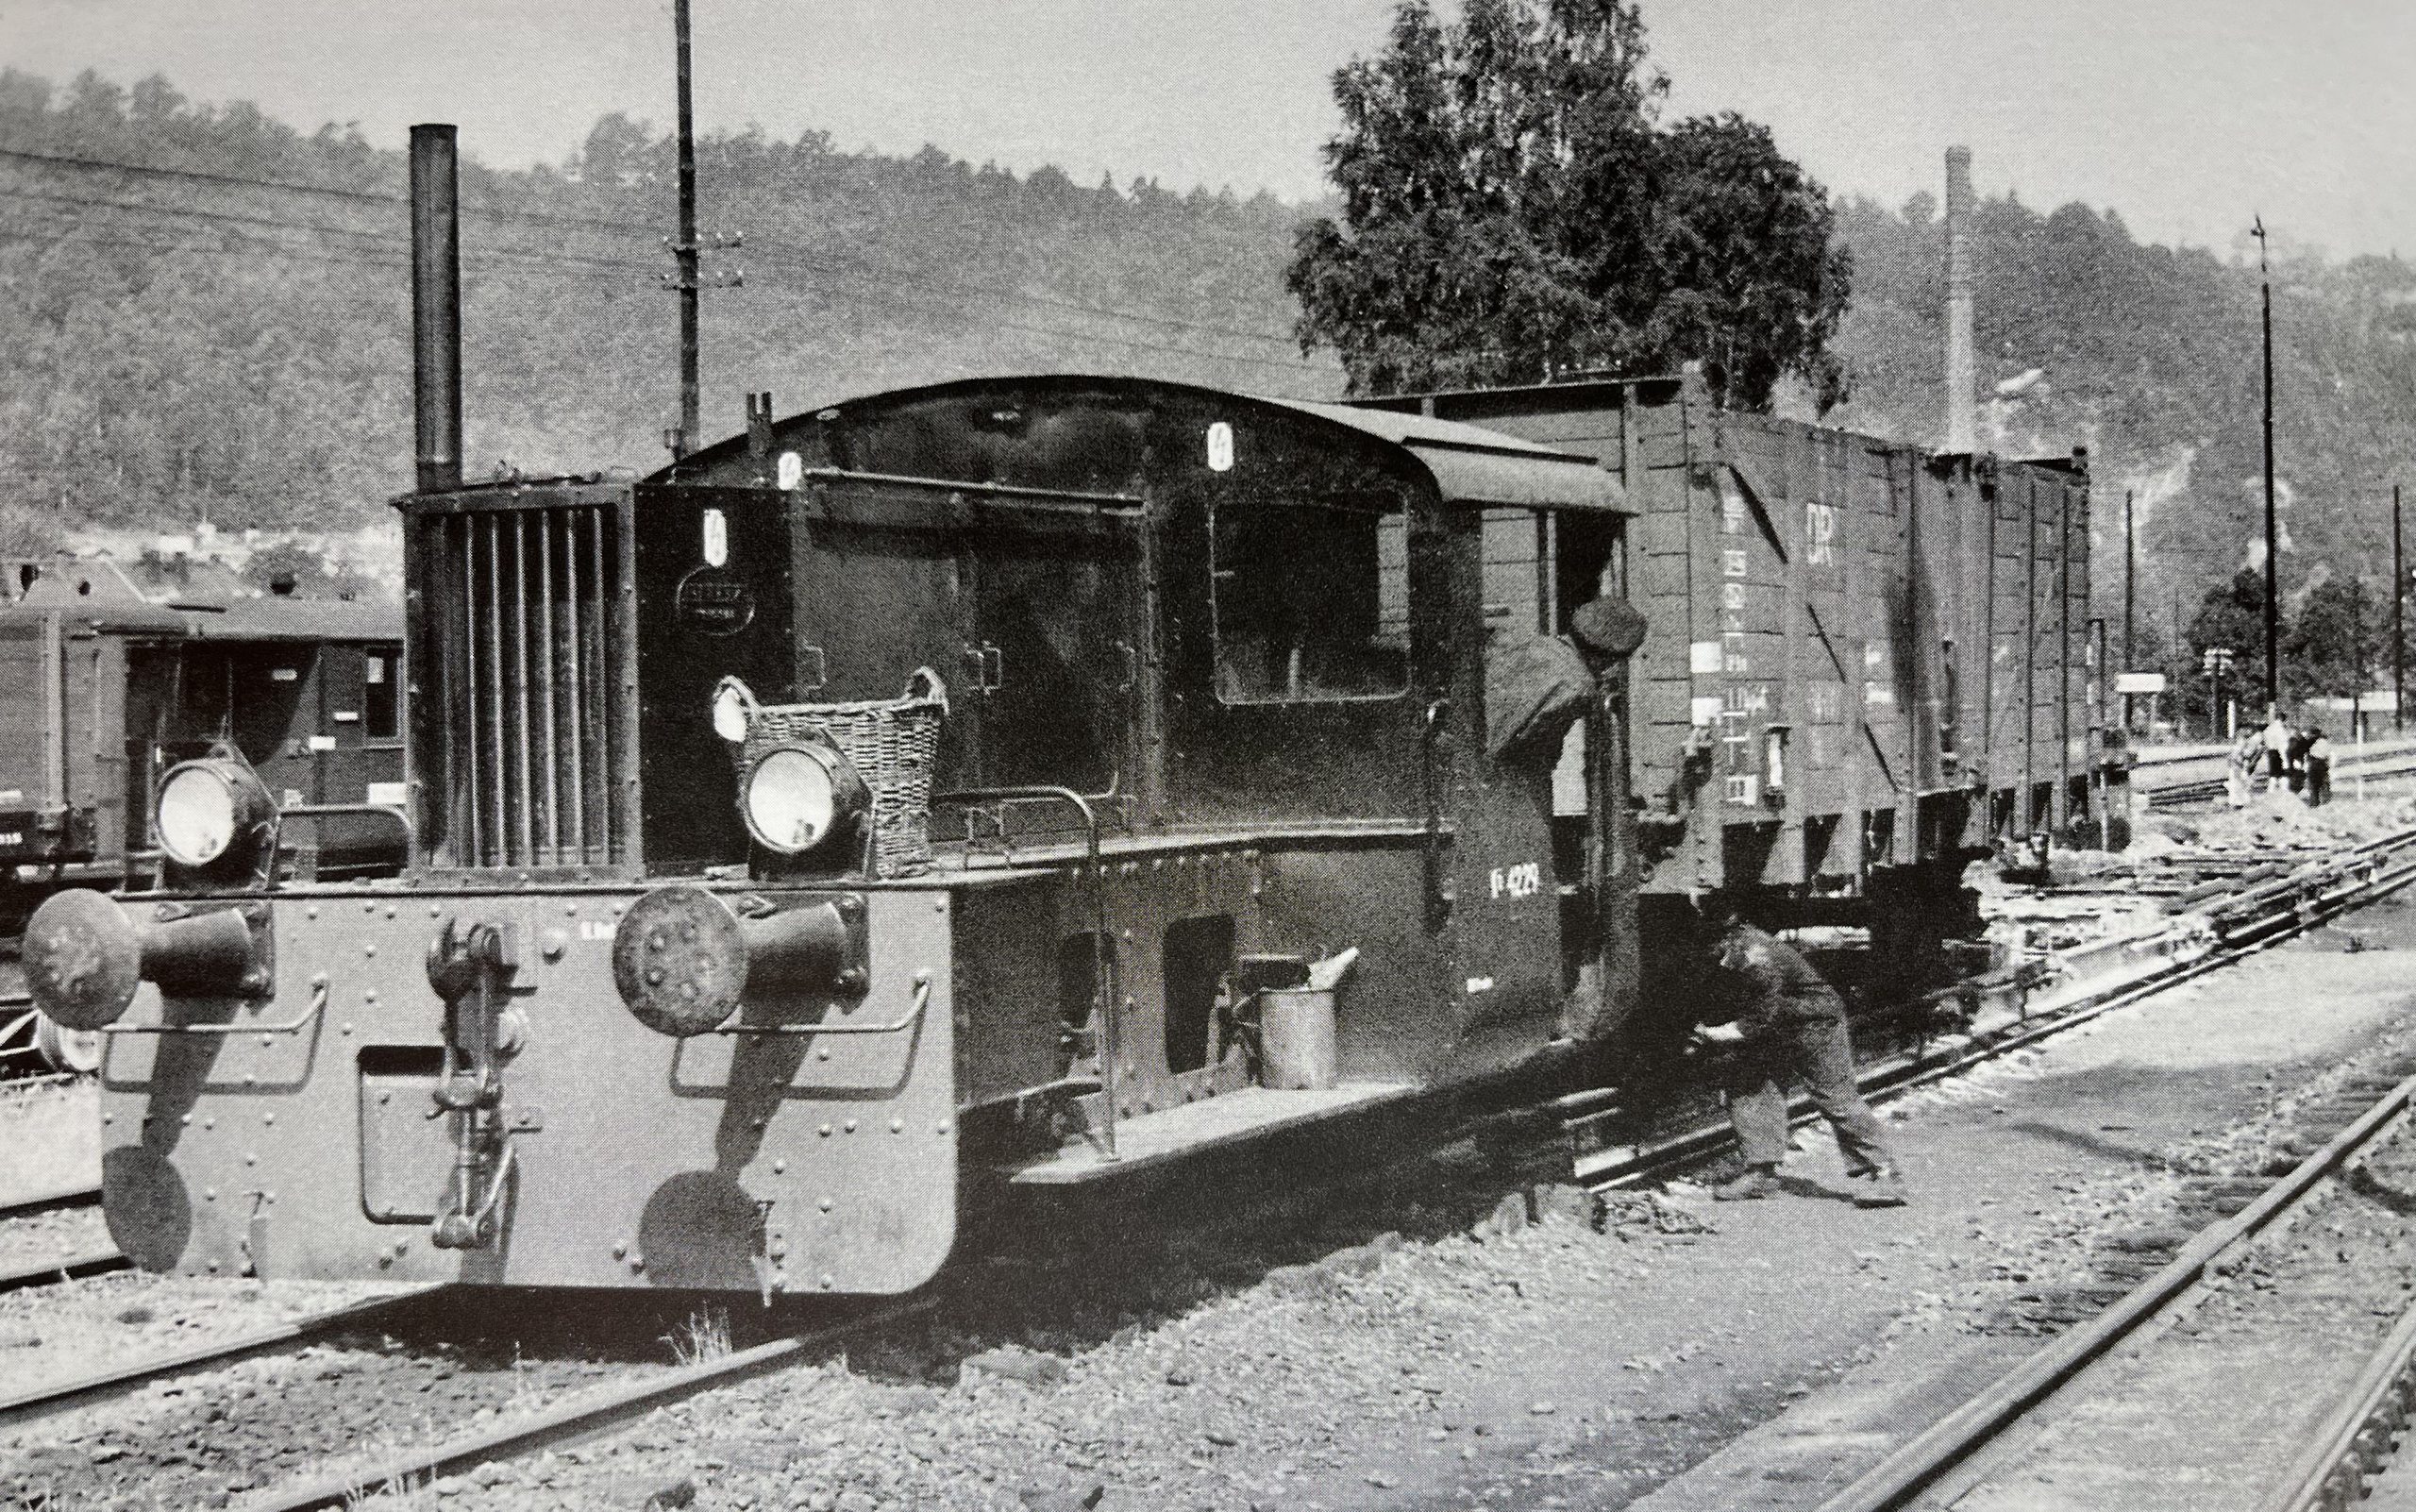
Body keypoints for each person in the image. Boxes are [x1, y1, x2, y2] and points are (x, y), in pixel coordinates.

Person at [1691, 905, 1909, 1206]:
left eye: (1710, 944)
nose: (1707, 952)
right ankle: (1761, 1174)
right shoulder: (1737, 951)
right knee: (1750, 1084)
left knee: (1837, 1097)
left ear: (1728, 937)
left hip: (1815, 1021)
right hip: (1780, 1024)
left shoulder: (1757, 956)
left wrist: (1716, 1034)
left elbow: (1760, 1017)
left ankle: (1886, 1176)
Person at [2263, 710, 2292, 790]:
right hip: (2278, 752)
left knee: (2273, 772)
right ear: (2283, 719)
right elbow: (2283, 743)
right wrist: (2285, 759)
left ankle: (2271, 791)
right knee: (2282, 773)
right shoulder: (2281, 729)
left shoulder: (2269, 728)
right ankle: (2284, 791)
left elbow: (2265, 738)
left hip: (2270, 751)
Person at [2306, 726, 2333, 807]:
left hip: (2313, 763)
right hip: (2323, 764)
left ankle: (2314, 802)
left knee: (2314, 784)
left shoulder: (2311, 742)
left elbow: (2307, 754)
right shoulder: (2325, 742)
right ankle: (2326, 800)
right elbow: (2329, 755)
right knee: (2324, 782)